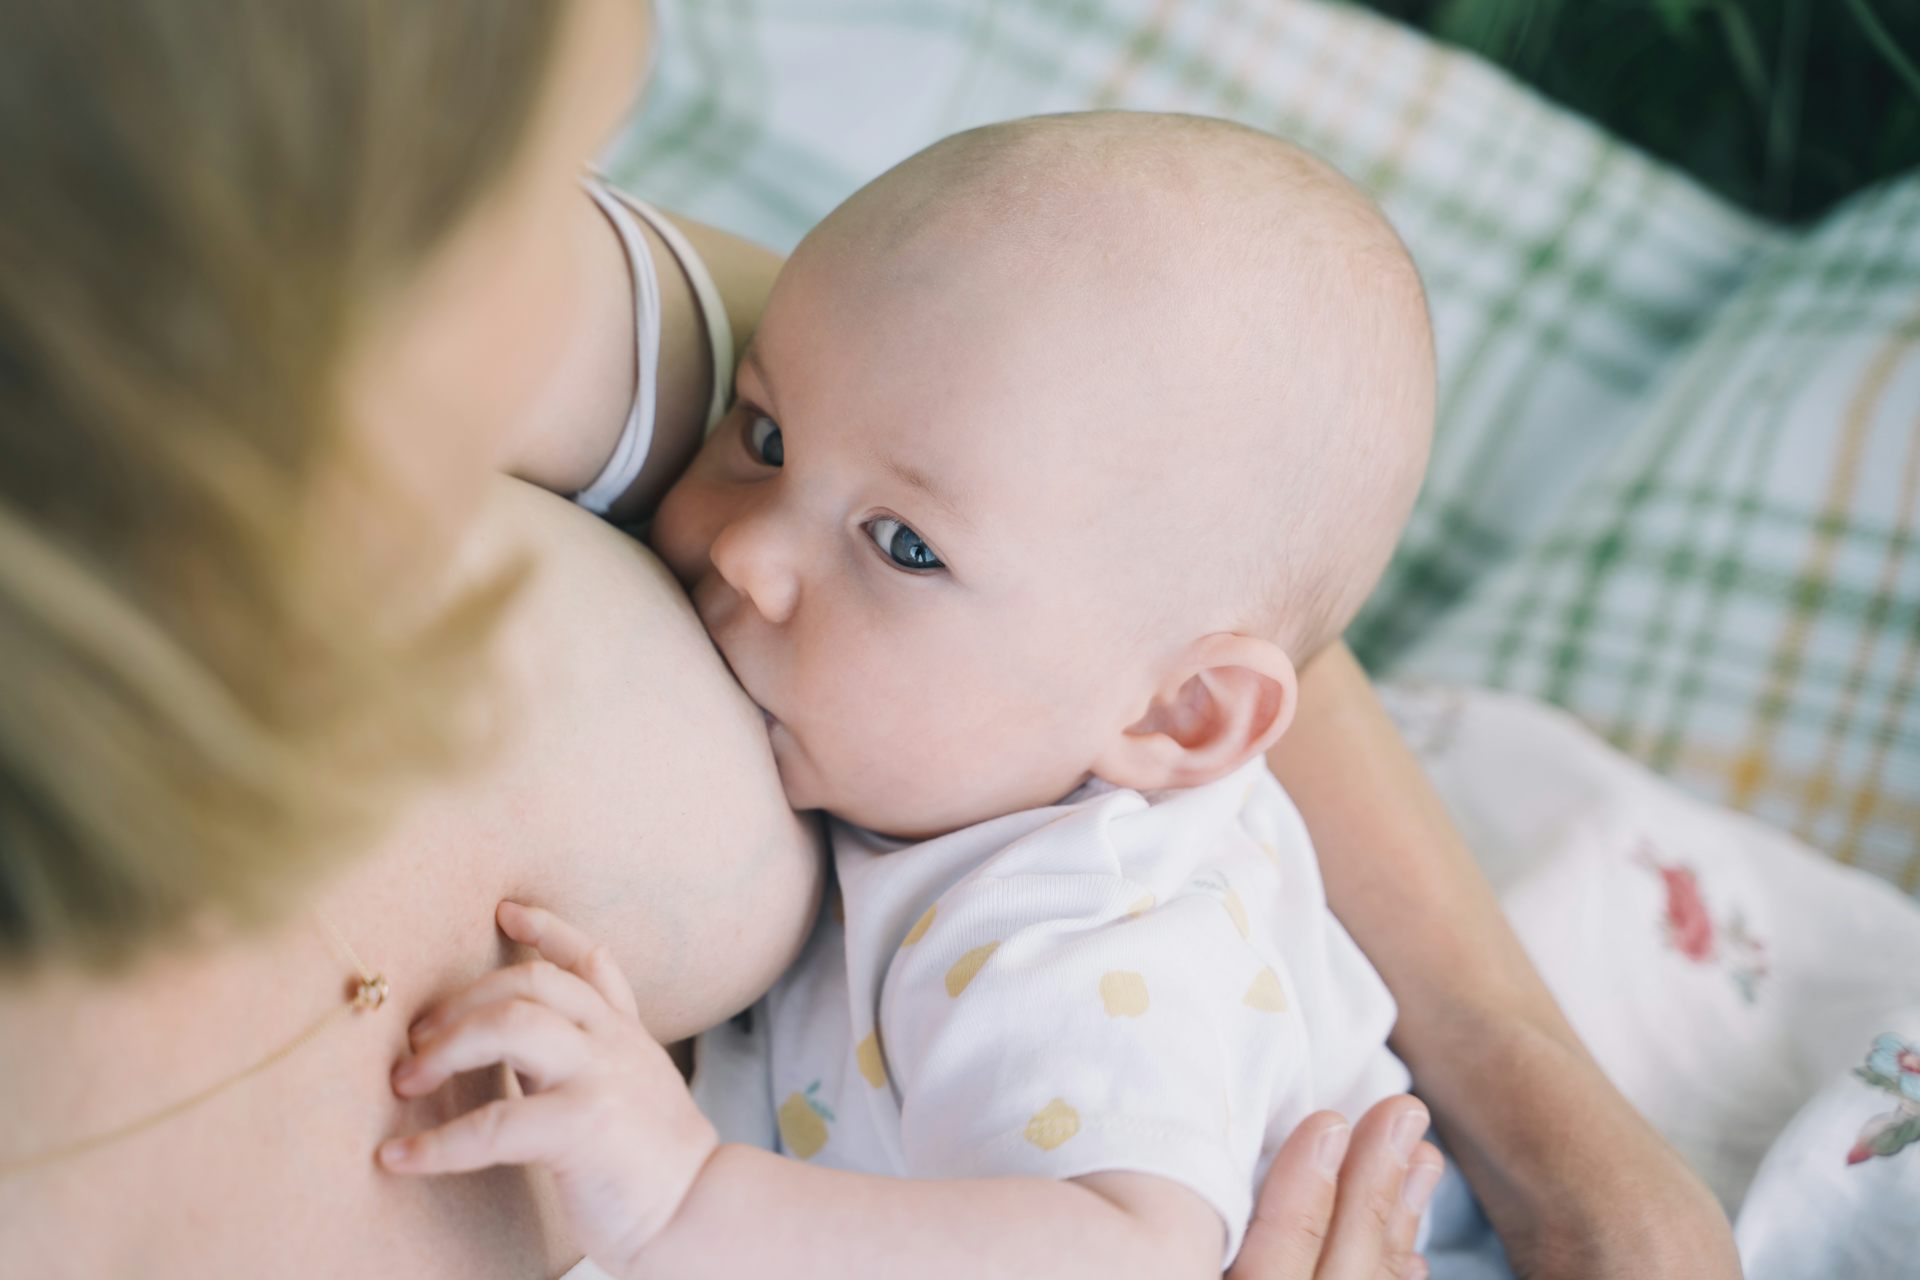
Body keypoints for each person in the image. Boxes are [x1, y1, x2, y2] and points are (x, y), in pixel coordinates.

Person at [0, 2, 1734, 1278]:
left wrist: (1551, 1125)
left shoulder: (1072, 872)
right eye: (532, 185)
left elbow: (1147, 545)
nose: (740, 548)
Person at [382, 112, 1438, 1279]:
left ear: (1176, 715)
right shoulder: (974, 761)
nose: (749, 555)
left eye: (903, 544)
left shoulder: (1074, 926)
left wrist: (691, 1197)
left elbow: (1126, 1252)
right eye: (768, 431)